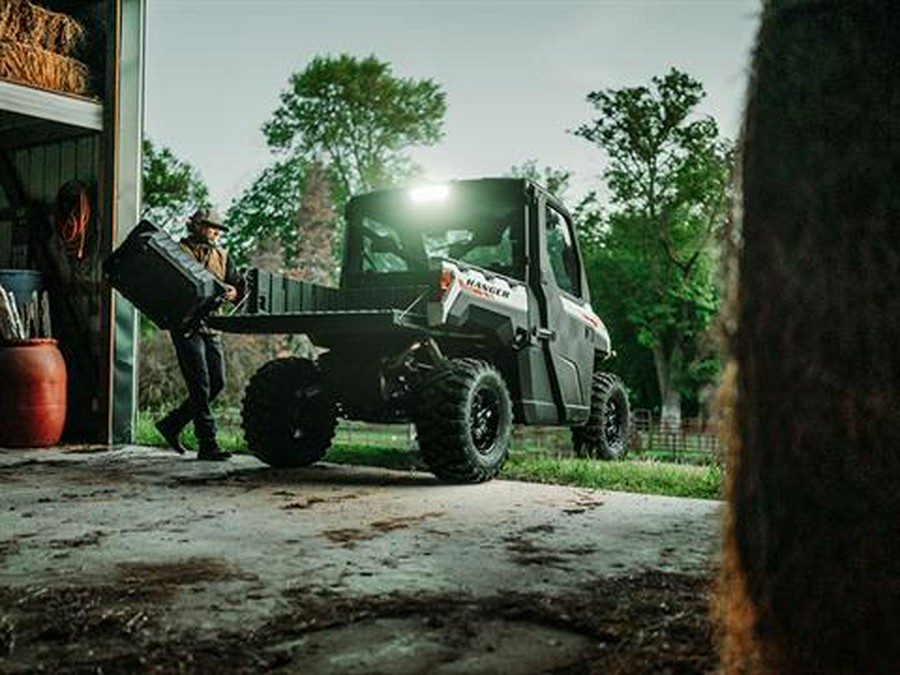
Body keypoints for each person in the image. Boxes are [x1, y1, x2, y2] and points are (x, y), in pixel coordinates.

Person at [155, 209, 242, 461]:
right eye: (210, 226)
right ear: (196, 226)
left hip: (212, 326)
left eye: (218, 228)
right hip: (186, 325)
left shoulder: (223, 256)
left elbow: (237, 284)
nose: (215, 231)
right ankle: (208, 444)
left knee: (217, 383)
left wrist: (232, 293)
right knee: (200, 384)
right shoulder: (179, 252)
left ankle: (172, 424)